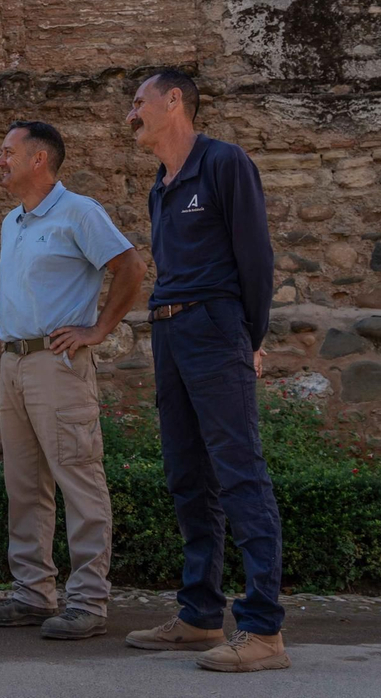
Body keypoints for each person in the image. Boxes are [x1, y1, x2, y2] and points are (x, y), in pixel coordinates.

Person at [123, 69, 289, 673]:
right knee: (187, 474)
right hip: (169, 329)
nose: (130, 114)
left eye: (138, 102)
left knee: (240, 474)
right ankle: (198, 616)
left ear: (174, 102)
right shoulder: (160, 187)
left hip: (216, 325)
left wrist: (250, 337)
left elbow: (256, 259)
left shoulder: (224, 163)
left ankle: (264, 631)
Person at [0, 121, 143, 640]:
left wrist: (99, 330)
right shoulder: (13, 221)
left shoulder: (80, 212)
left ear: (39, 159)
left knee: (78, 478)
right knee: (24, 486)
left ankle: (89, 602)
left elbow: (130, 266)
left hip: (58, 364)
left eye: (7, 153)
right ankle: (33, 594)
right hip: (14, 362)